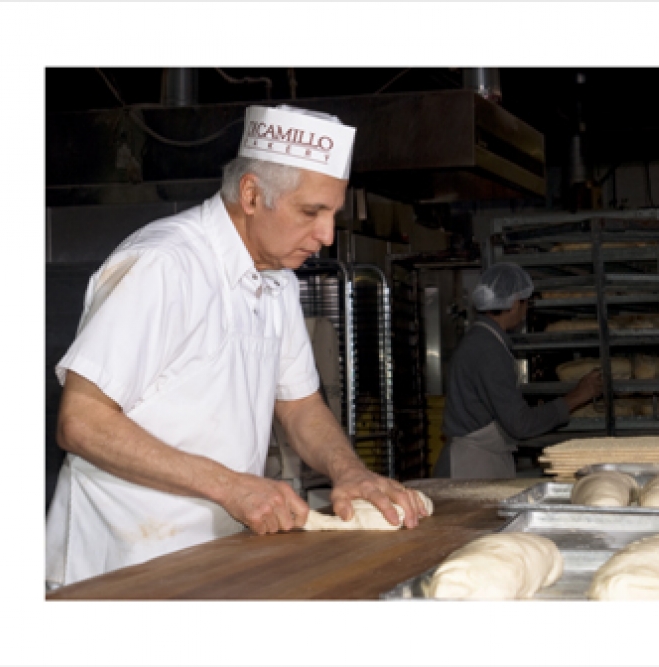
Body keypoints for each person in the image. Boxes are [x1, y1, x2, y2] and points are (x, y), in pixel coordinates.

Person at [46, 105, 428, 588]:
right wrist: (233, 487)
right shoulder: (166, 264)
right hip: (120, 562)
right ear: (251, 194)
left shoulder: (277, 281)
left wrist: (349, 472)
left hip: (211, 557)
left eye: (333, 214)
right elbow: (82, 421)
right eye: (311, 212)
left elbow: (301, 406)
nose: (327, 236)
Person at [434, 263, 603, 479]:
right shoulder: (488, 349)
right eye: (526, 302)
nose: (526, 309)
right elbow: (520, 425)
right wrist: (578, 396)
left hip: (480, 459)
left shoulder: (483, 340)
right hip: (471, 467)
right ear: (514, 304)